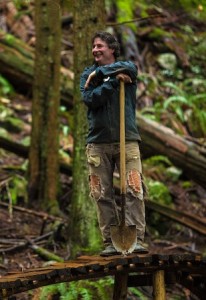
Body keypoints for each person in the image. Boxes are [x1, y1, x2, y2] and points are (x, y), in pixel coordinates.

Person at [80, 31, 148, 256]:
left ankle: (135, 238)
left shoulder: (125, 68)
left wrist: (103, 73)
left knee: (133, 188)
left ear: (112, 49)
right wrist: (110, 82)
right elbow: (90, 98)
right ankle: (111, 241)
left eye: (100, 46)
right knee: (101, 193)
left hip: (127, 140)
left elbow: (131, 69)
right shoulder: (87, 74)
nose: (95, 50)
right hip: (98, 143)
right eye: (94, 46)